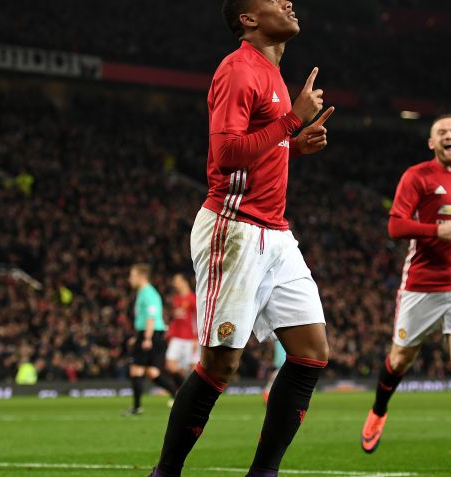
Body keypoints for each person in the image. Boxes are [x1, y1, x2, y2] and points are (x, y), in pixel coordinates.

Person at [148, 1, 334, 475]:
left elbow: (260, 148)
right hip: (234, 229)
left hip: (275, 231)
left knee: (312, 352)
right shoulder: (237, 69)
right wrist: (291, 122)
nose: (288, 3)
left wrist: (293, 145)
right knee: (220, 366)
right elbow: (227, 154)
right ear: (248, 19)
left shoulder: (274, 74)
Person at [360, 115, 451, 470]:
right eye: (441, 132)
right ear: (432, 143)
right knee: (400, 359)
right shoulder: (417, 176)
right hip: (422, 284)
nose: (449, 135)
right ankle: (378, 410)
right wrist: (437, 230)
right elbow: (395, 225)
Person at [124, 263, 177, 416]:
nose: (130, 279)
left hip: (151, 333)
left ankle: (137, 407)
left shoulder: (148, 293)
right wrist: (138, 336)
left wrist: (146, 338)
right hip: (150, 333)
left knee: (136, 369)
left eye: (132, 276)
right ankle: (178, 396)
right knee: (152, 372)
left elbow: (151, 316)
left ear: (141, 277)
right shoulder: (143, 292)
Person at [165, 273, 199, 387]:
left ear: (184, 282)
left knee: (191, 368)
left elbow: (197, 319)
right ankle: (183, 389)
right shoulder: (175, 299)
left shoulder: (193, 298)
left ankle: (189, 391)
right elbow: (173, 320)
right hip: (176, 338)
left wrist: (196, 338)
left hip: (190, 338)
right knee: (170, 365)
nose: (174, 284)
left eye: (177, 281)